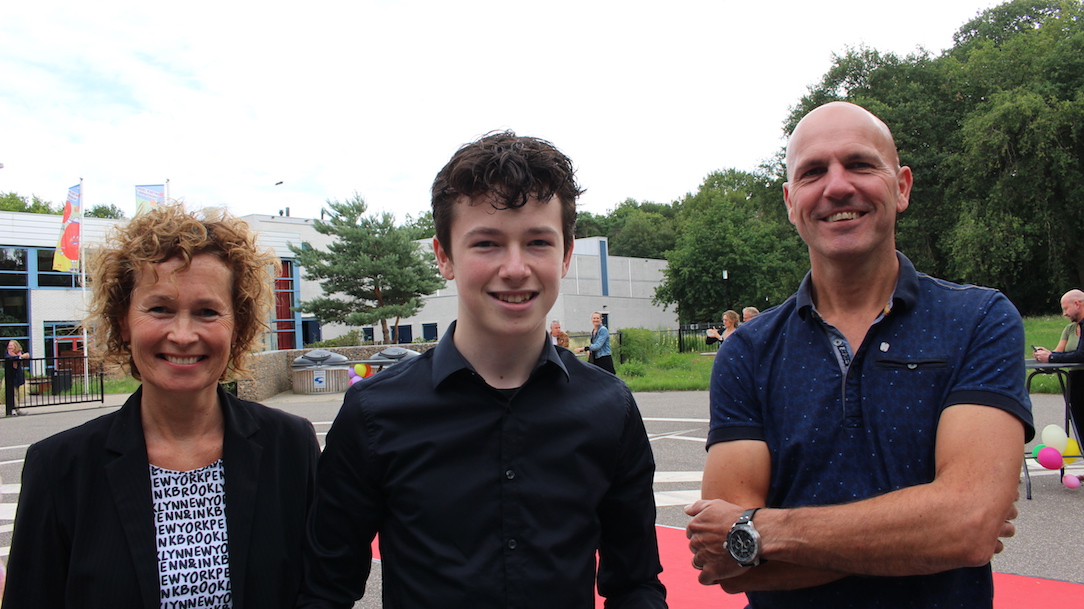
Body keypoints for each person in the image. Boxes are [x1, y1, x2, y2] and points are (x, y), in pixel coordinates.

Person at [685, 101, 1033, 608]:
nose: (837, 186)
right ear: (790, 202)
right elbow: (726, 562)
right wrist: (928, 528)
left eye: (860, 164)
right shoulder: (747, 351)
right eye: (812, 172)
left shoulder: (978, 319)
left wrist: (760, 532)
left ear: (902, 187)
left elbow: (967, 525)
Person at [298, 132, 666, 608]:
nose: (514, 268)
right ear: (444, 257)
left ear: (566, 255)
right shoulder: (373, 413)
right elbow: (325, 590)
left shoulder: (610, 409)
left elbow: (635, 584)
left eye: (538, 242)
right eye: (487, 243)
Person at [4, 205, 321, 609]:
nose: (183, 335)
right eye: (160, 309)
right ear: (123, 322)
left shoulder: (290, 447)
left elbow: (321, 590)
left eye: (207, 312)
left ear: (237, 326)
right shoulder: (59, 468)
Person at [1034, 289, 1084, 444]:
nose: (1064, 314)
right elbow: (1059, 353)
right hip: (1075, 379)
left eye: (1066, 308)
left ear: (1077, 304)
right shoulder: (1071, 329)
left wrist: (1051, 357)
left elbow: (1081, 355)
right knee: (1079, 423)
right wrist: (1046, 355)